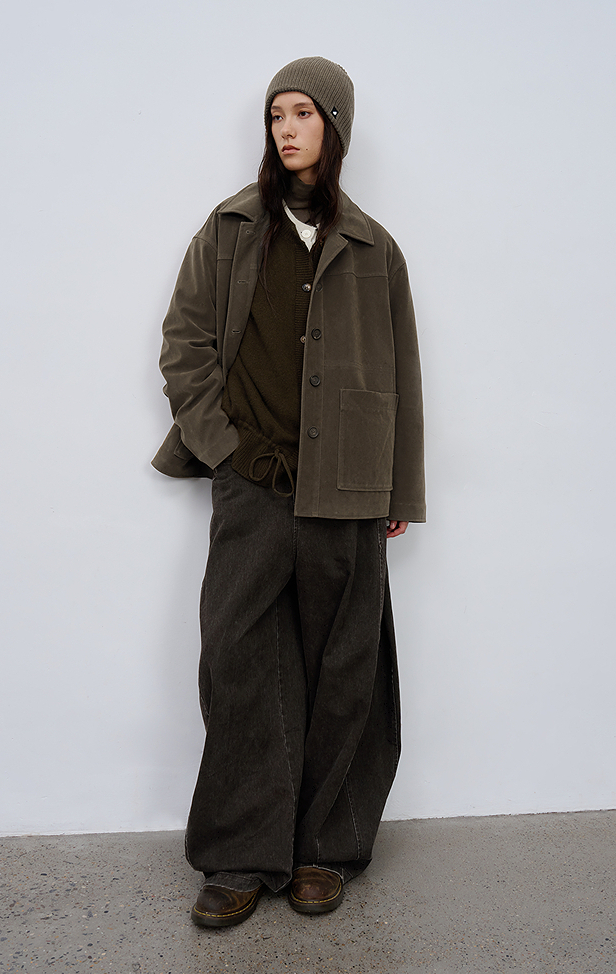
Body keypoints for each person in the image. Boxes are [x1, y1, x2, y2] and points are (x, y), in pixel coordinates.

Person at [152, 56, 425, 928]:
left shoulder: (376, 249)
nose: (287, 129)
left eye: (304, 112)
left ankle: (323, 849)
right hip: (253, 484)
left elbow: (403, 376)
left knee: (346, 671)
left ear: (335, 126)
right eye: (277, 115)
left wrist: (397, 488)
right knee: (240, 663)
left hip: (348, 486)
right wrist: (221, 448)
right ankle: (241, 854)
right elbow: (184, 344)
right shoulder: (231, 228)